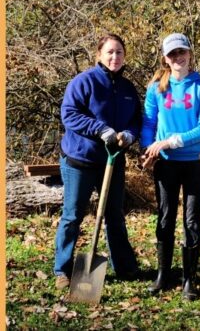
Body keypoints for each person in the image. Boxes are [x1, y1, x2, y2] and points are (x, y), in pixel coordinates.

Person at [54, 33, 141, 291]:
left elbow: (137, 120)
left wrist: (129, 135)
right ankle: (63, 270)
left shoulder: (127, 89)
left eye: (119, 53)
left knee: (115, 215)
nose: (115, 57)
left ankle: (124, 266)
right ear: (99, 55)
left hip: (112, 162)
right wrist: (99, 128)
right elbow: (69, 114)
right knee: (72, 216)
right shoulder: (84, 82)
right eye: (110, 52)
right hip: (80, 160)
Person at [140, 33, 200, 301]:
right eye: (172, 54)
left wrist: (171, 141)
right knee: (165, 216)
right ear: (165, 58)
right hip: (166, 165)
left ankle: (189, 278)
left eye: (181, 52)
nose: (177, 58)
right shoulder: (156, 88)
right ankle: (163, 274)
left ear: (189, 54)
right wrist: (149, 148)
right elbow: (149, 123)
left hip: (195, 163)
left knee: (192, 220)